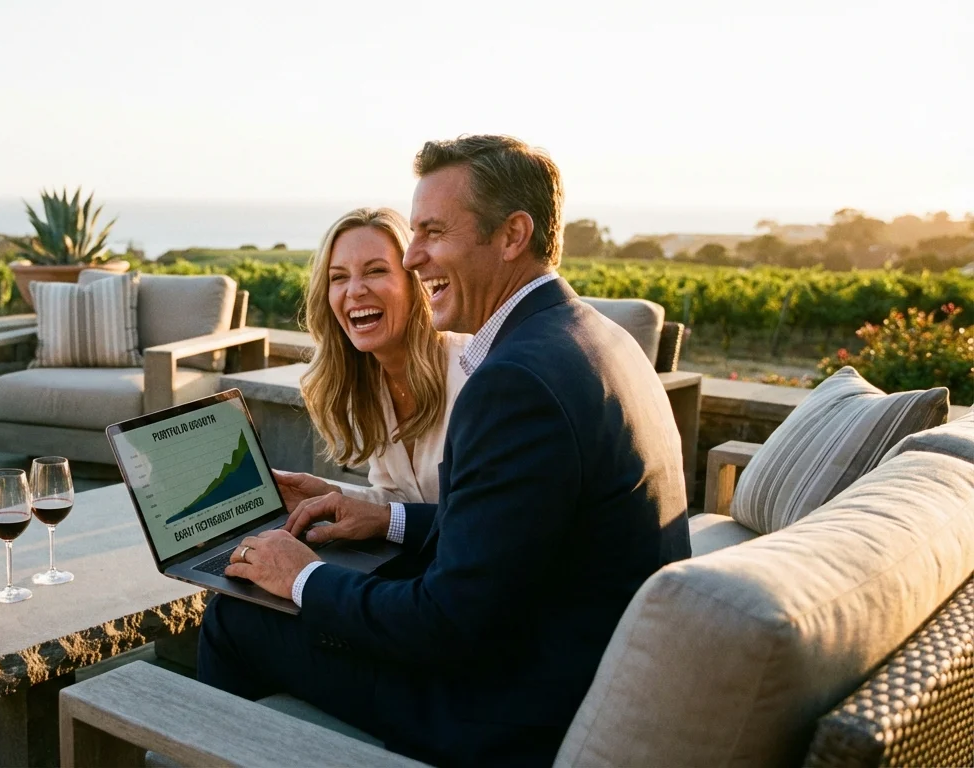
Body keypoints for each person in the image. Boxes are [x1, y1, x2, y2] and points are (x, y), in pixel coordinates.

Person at [199, 135, 691, 766]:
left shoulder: (513, 382)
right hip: (574, 665)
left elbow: (444, 625)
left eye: (431, 232)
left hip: (509, 712)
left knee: (240, 617)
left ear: (513, 234)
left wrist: (301, 577)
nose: (413, 254)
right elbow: (524, 525)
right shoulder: (597, 337)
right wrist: (386, 515)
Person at [274, 207, 471, 515]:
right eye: (338, 277)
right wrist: (329, 495)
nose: (354, 291)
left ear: (414, 283)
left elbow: (473, 520)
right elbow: (401, 500)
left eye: (375, 271)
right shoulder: (365, 383)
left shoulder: (471, 375)